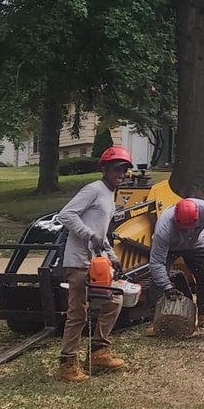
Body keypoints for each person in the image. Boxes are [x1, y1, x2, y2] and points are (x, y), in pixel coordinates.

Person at [53, 145, 135, 383]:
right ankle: (67, 363)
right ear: (104, 169)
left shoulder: (110, 194)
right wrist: (89, 235)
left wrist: (113, 258)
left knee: (114, 300)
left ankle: (98, 351)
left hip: (96, 262)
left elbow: (101, 235)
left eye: (124, 170)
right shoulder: (93, 190)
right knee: (78, 312)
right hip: (79, 261)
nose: (121, 174)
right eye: (117, 169)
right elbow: (66, 215)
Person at [149, 195, 204, 328]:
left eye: (190, 226)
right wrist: (167, 287)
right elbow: (157, 263)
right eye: (183, 227)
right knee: (156, 281)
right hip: (170, 247)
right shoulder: (163, 229)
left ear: (198, 215)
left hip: (196, 243)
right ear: (176, 219)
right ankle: (153, 319)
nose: (187, 230)